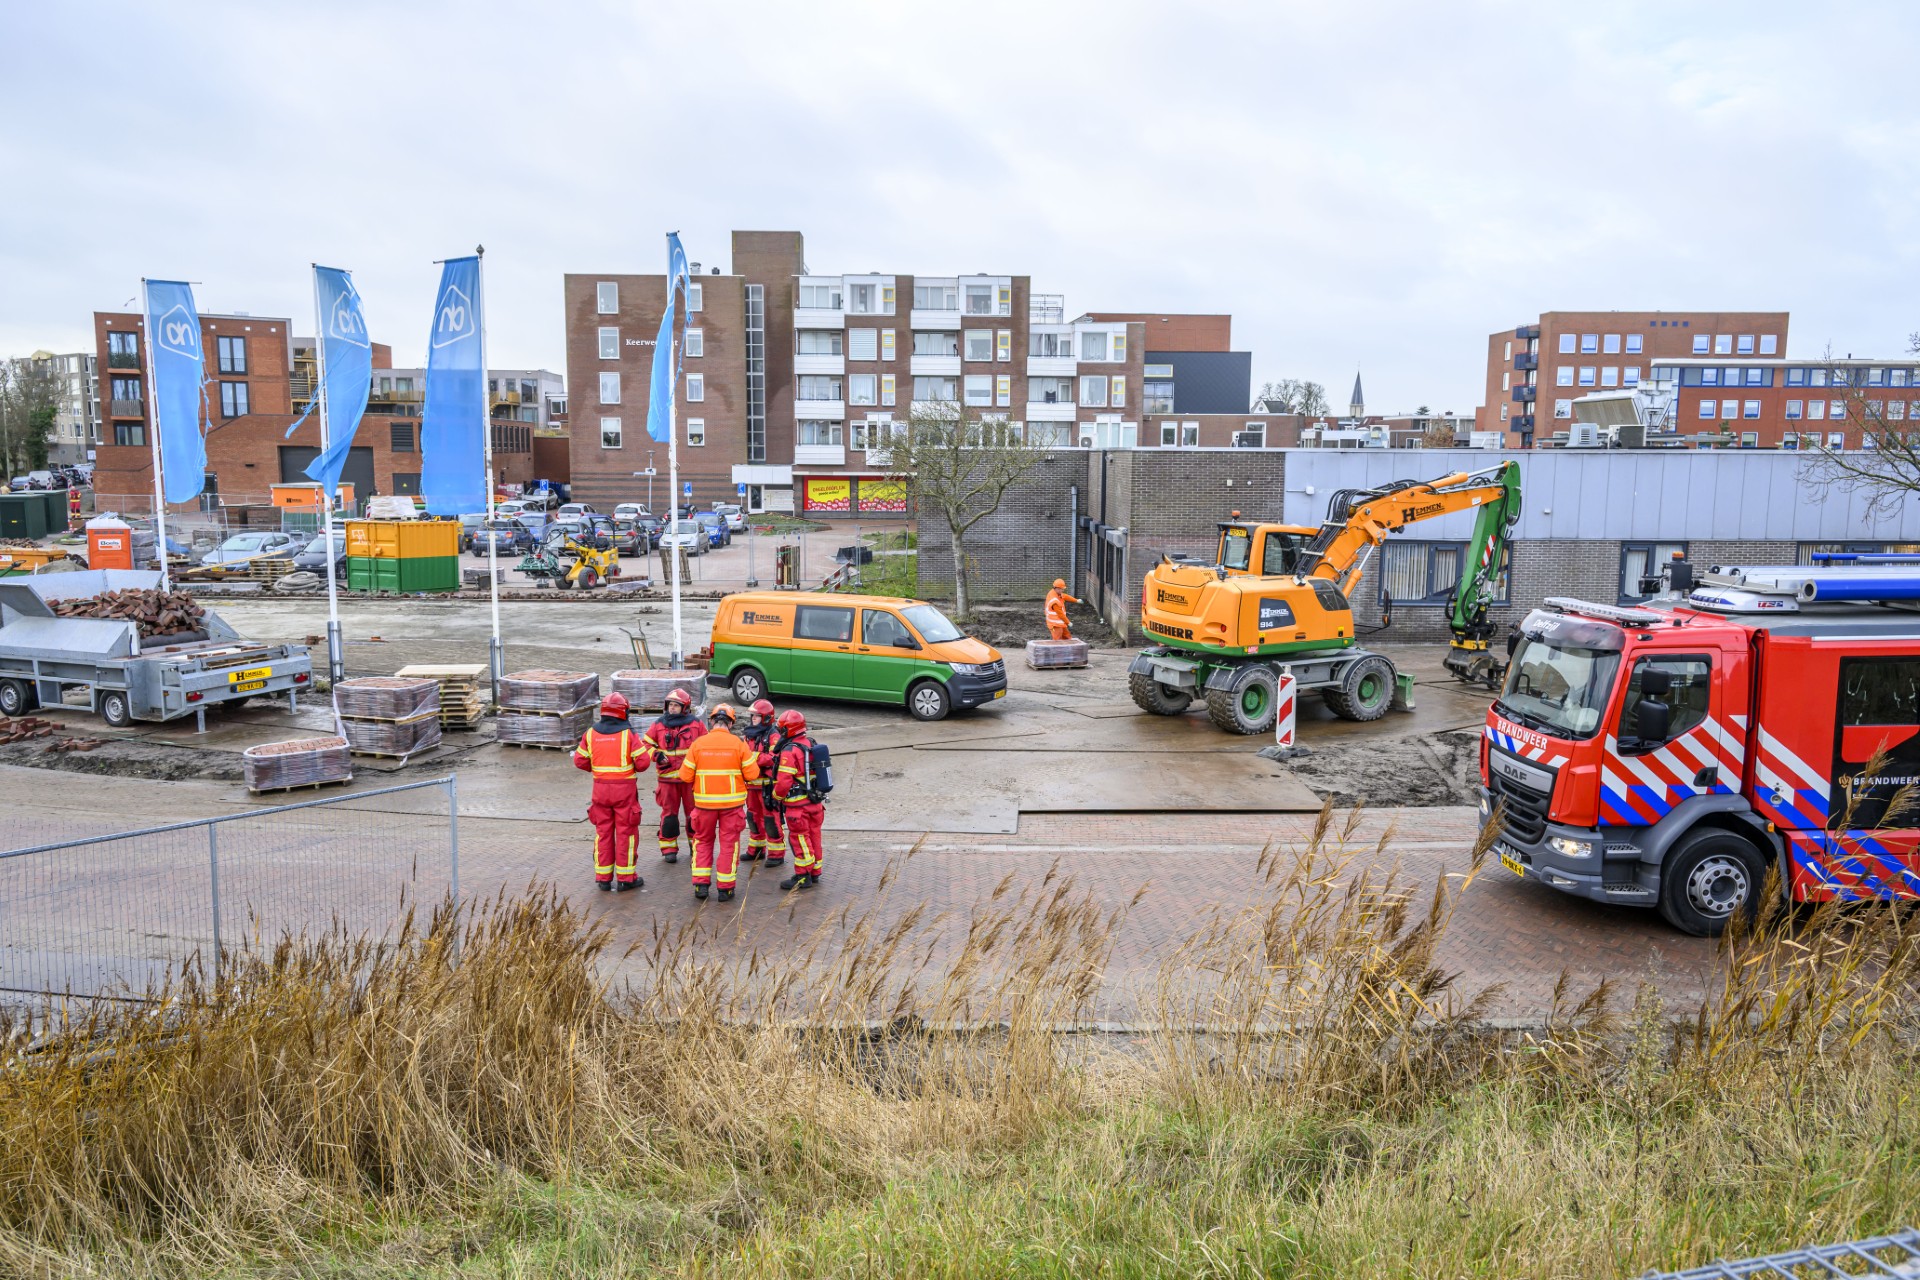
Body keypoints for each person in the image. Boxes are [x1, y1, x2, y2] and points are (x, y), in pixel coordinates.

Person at [677, 702, 761, 901]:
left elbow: (685, 776)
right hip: (731, 807)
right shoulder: (738, 745)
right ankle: (725, 889)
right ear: (731, 724)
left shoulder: (698, 744)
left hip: (704, 806)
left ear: (712, 721)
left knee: (702, 843)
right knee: (728, 846)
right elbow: (753, 773)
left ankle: (700, 887)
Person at [571, 691, 645, 892]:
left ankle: (603, 878)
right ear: (624, 712)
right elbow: (644, 762)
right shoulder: (628, 734)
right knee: (626, 834)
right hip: (625, 793)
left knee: (603, 833)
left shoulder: (591, 733)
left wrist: (596, 768)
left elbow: (579, 760)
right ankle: (626, 878)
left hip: (600, 791)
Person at [640, 687, 705, 865]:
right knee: (669, 816)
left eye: (676, 705)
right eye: (670, 705)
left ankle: (696, 846)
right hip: (667, 780)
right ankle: (669, 849)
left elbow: (706, 745)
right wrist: (657, 755)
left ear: (684, 707)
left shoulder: (696, 725)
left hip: (689, 780)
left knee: (694, 815)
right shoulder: (659, 724)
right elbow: (645, 744)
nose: (672, 708)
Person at [773, 708, 826, 891]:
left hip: (798, 807)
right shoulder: (810, 743)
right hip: (815, 804)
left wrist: (776, 797)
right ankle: (815, 872)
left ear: (788, 730)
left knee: (800, 838)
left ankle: (803, 876)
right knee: (814, 836)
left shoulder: (789, 751)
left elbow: (784, 781)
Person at [740, 698, 786, 865]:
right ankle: (756, 849)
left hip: (767, 785)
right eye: (752, 716)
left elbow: (776, 757)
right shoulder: (748, 735)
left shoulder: (773, 735)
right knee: (752, 817)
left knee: (770, 819)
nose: (753, 719)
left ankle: (776, 854)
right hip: (751, 785)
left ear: (766, 718)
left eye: (757, 716)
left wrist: (755, 758)